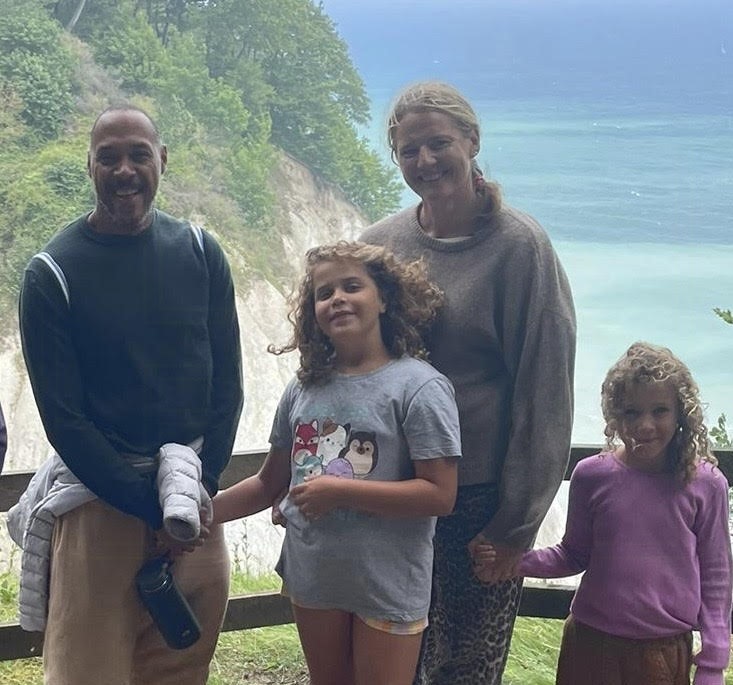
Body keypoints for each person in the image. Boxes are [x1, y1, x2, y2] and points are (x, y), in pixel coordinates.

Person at [17, 105, 243, 684]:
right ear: (89, 166)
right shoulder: (52, 273)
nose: (124, 170)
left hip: (193, 505)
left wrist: (199, 491)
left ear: (161, 160)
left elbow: (227, 389)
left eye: (138, 154)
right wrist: (152, 508)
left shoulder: (201, 252)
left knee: (182, 670)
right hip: (100, 508)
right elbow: (65, 421)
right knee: (88, 672)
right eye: (108, 157)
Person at [359, 81, 577, 684]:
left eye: (439, 143)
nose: (425, 161)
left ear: (472, 141)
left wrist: (515, 526)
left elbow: (546, 393)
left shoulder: (520, 249)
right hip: (387, 490)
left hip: (476, 501)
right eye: (409, 150)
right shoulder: (379, 246)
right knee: (388, 661)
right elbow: (345, 369)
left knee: (464, 669)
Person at [214, 240, 462, 685]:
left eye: (352, 286)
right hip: (314, 576)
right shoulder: (303, 389)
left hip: (388, 584)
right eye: (324, 293)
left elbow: (440, 495)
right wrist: (202, 515)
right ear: (313, 313)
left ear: (383, 298)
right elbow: (268, 483)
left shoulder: (419, 388)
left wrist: (340, 491)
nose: (338, 299)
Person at [475, 341, 733, 685]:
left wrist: (713, 662)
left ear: (681, 414)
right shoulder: (591, 476)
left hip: (662, 649)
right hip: (589, 643)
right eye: (631, 412)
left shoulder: (705, 483)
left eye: (660, 411)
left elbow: (717, 576)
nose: (645, 425)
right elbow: (572, 554)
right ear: (614, 415)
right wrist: (514, 561)